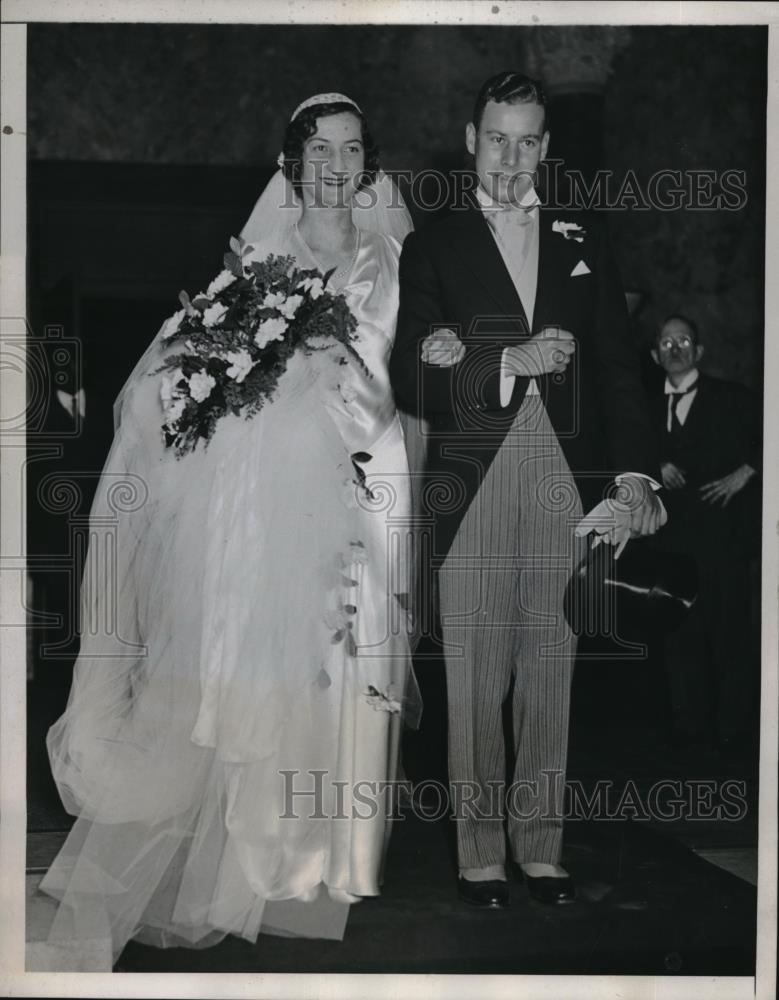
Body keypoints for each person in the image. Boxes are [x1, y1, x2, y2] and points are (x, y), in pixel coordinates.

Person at [38, 93, 418, 965]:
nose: (336, 163)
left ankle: (324, 857)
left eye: (352, 148)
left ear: (367, 161)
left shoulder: (392, 252)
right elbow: (202, 352)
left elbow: (397, 367)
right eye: (319, 147)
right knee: (257, 665)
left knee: (341, 672)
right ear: (294, 160)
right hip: (268, 500)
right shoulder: (259, 254)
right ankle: (245, 859)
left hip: (363, 485)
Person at [390, 71, 664, 909]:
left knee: (551, 661)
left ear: (545, 147)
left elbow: (620, 368)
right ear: (470, 140)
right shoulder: (431, 245)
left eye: (527, 140)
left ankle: (539, 847)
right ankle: (478, 856)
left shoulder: (585, 237)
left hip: (567, 480)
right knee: (473, 668)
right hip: (473, 478)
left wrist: (634, 473)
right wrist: (506, 362)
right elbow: (412, 379)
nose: (511, 156)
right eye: (496, 137)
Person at [650, 314, 761, 751]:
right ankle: (688, 731)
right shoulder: (640, 403)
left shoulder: (733, 397)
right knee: (679, 636)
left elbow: (768, 438)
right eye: (665, 341)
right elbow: (622, 450)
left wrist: (746, 473)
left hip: (725, 540)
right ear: (655, 355)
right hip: (670, 544)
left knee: (730, 635)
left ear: (699, 352)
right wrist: (653, 464)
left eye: (684, 341)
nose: (674, 348)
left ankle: (734, 731)